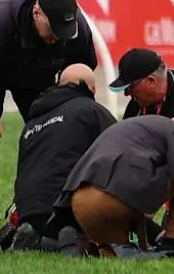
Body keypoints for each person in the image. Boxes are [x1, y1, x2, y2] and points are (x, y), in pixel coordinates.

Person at [0, 0, 98, 243]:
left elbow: (83, 68)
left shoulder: (76, 28)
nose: (58, 38)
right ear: (36, 13)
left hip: (36, 76)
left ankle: (47, 216)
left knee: (55, 137)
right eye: (53, 31)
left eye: (63, 32)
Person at [50, 111, 174, 258]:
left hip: (78, 203)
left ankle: (79, 242)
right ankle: (173, 243)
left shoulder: (136, 127)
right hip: (115, 199)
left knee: (117, 256)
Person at [8, 63, 118, 252]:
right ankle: (55, 241)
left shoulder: (32, 122)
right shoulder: (91, 111)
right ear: (92, 89)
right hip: (68, 210)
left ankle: (34, 238)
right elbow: (122, 152)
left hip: (27, 211)